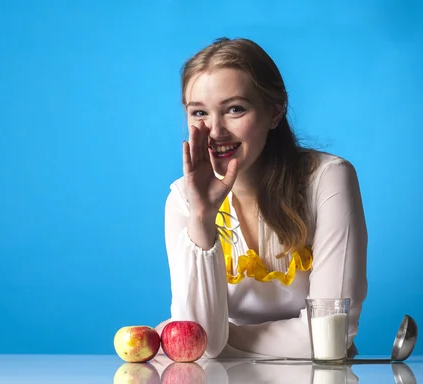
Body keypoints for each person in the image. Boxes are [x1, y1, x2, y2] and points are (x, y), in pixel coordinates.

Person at [157, 37, 368, 359]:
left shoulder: (327, 178)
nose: (215, 131)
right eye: (199, 112)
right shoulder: (182, 200)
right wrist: (201, 218)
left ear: (274, 111)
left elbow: (332, 333)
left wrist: (225, 338)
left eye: (235, 109)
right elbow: (200, 345)